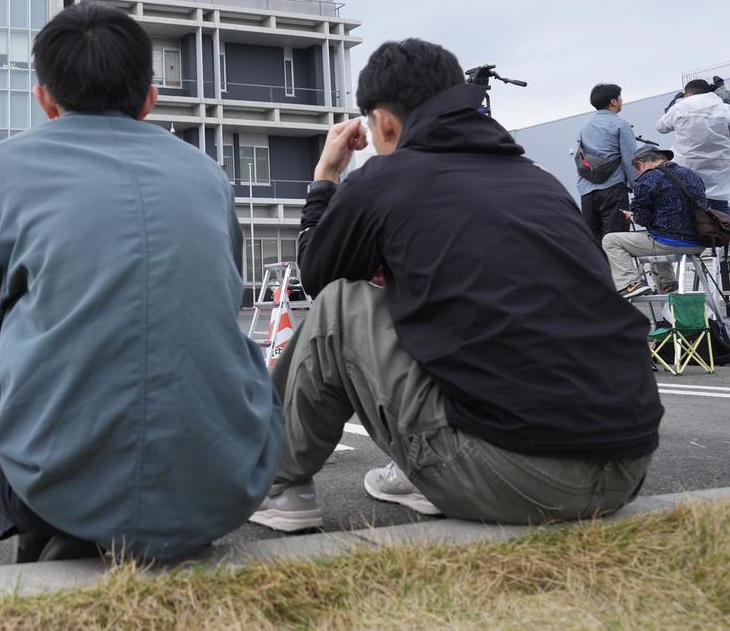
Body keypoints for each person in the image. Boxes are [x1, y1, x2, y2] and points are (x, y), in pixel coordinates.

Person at [248, 39, 660, 534]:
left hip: (519, 477)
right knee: (445, 306)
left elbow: (317, 276)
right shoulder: (540, 182)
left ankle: (277, 482)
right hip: (628, 466)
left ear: (384, 123)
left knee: (343, 303)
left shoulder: (385, 179)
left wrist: (326, 178)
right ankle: (414, 473)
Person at [0, 2, 281, 563]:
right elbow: (220, 300)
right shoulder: (207, 175)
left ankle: (42, 517)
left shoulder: (6, 169)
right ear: (150, 99)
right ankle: (164, 509)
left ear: (45, 99)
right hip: (225, 485)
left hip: (63, 486)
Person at [602, 149, 708, 298]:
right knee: (655, 236)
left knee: (610, 240)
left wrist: (632, 217)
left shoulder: (648, 179)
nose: (637, 174)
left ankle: (630, 284)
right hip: (700, 241)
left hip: (671, 242)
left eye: (636, 170)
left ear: (641, 163)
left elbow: (642, 219)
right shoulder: (691, 174)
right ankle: (667, 284)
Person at [655, 79, 730, 213]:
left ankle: (697, 233)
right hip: (719, 166)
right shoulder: (724, 108)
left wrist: (673, 103)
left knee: (694, 208)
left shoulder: (680, 107)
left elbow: (661, 127)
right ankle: (725, 232)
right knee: (720, 207)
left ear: (687, 93)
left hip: (689, 166)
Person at [577, 83, 639, 244]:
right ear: (613, 101)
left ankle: (596, 269)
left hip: (587, 189)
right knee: (616, 240)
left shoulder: (585, 127)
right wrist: (639, 188)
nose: (622, 100)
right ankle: (614, 270)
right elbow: (630, 159)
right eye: (620, 97)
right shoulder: (620, 124)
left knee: (592, 240)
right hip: (613, 189)